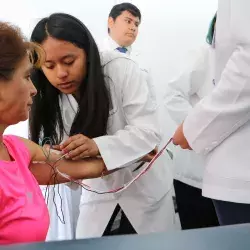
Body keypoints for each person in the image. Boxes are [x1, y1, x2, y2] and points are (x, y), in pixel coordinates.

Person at [29, 13, 175, 239]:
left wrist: (97, 147)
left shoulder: (121, 69)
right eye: (49, 66)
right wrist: (96, 162)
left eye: (69, 61)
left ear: (88, 53)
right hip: (99, 194)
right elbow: (58, 163)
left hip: (144, 191)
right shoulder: (46, 98)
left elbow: (148, 133)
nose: (61, 73)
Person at [0, 21, 107, 245]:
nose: (34, 89)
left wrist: (129, 152)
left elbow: (79, 166)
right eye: (26, 76)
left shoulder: (16, 148)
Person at [173, 0, 250, 226]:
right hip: (209, 162)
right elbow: (173, 95)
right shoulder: (201, 55)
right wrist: (193, 128)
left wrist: (195, 129)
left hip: (235, 167)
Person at [164, 14, 219, 229]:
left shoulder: (241, 64)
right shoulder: (203, 55)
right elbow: (173, 95)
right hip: (195, 177)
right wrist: (199, 129)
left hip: (233, 177)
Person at [99, 2, 156, 101]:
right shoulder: (96, 53)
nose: (133, 28)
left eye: (136, 24)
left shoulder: (142, 59)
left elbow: (151, 98)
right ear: (111, 22)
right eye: (128, 21)